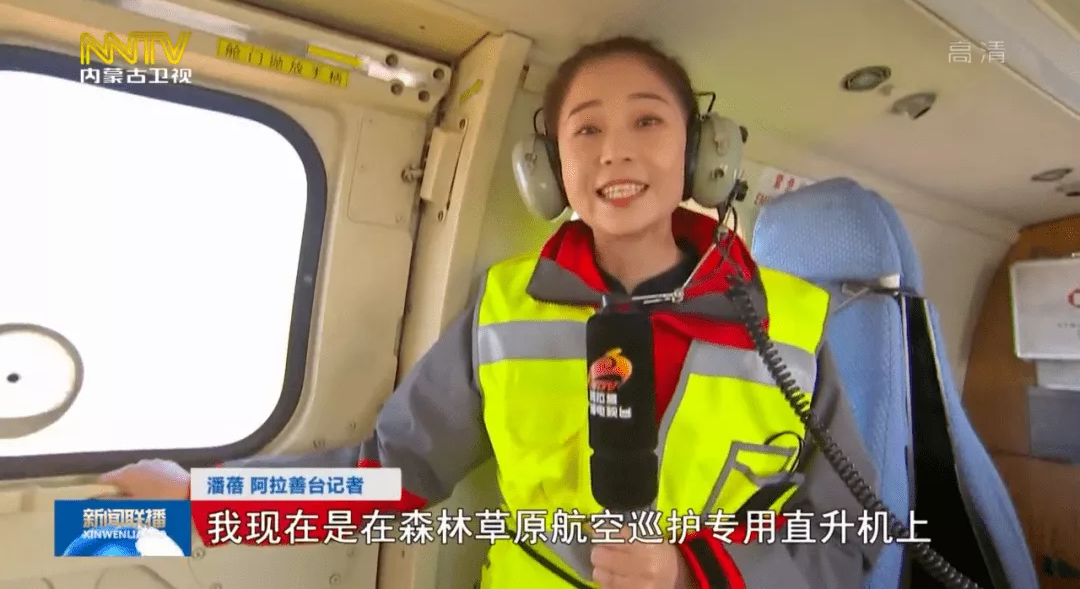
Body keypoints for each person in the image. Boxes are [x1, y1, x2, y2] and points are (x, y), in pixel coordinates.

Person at [100, 36, 883, 588]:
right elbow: (395, 473)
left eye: (647, 121)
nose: (614, 150)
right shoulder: (506, 308)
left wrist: (690, 572)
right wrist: (202, 504)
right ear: (549, 169)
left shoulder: (792, 324)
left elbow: (848, 537)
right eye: (586, 129)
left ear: (703, 154)